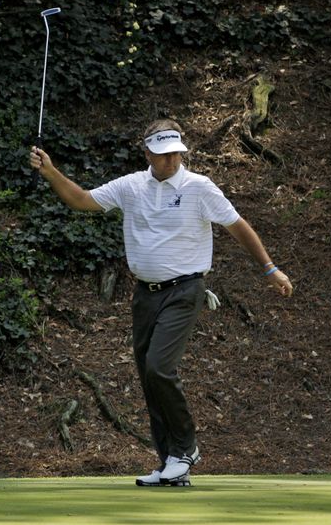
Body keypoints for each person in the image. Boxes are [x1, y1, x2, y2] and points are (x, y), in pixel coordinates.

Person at [29, 118, 293, 487]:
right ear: (148, 152)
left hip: (185, 291)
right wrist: (52, 172)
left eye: (176, 154)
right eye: (164, 154)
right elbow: (82, 200)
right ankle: (171, 461)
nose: (171, 160)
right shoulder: (131, 186)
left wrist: (271, 270)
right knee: (148, 377)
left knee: (158, 367)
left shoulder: (199, 187)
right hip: (145, 295)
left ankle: (185, 449)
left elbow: (238, 226)